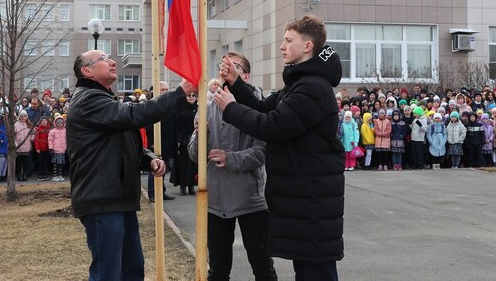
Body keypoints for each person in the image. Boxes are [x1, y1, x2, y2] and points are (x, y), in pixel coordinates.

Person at [214, 15, 344, 281]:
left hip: (312, 198)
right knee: (306, 269)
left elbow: (273, 126)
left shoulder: (313, 88)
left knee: (317, 271)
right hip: (303, 196)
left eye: (288, 40)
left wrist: (231, 108)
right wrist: (237, 84)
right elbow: (264, 108)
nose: (282, 46)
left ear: (307, 46)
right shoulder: (299, 83)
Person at [67, 50, 196, 281]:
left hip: (118, 196)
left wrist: (148, 158)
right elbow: (134, 116)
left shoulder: (103, 98)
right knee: (108, 273)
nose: (112, 61)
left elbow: (122, 137)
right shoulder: (88, 99)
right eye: (104, 59)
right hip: (102, 199)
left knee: (132, 270)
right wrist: (179, 93)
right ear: (86, 71)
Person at [189, 52, 277, 281]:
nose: (225, 69)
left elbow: (263, 152)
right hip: (216, 200)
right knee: (217, 270)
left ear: (245, 77)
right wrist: (202, 136)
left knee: (262, 267)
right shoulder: (207, 104)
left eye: (233, 66)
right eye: (222, 65)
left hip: (251, 200)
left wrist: (231, 158)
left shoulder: (259, 107)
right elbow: (192, 155)